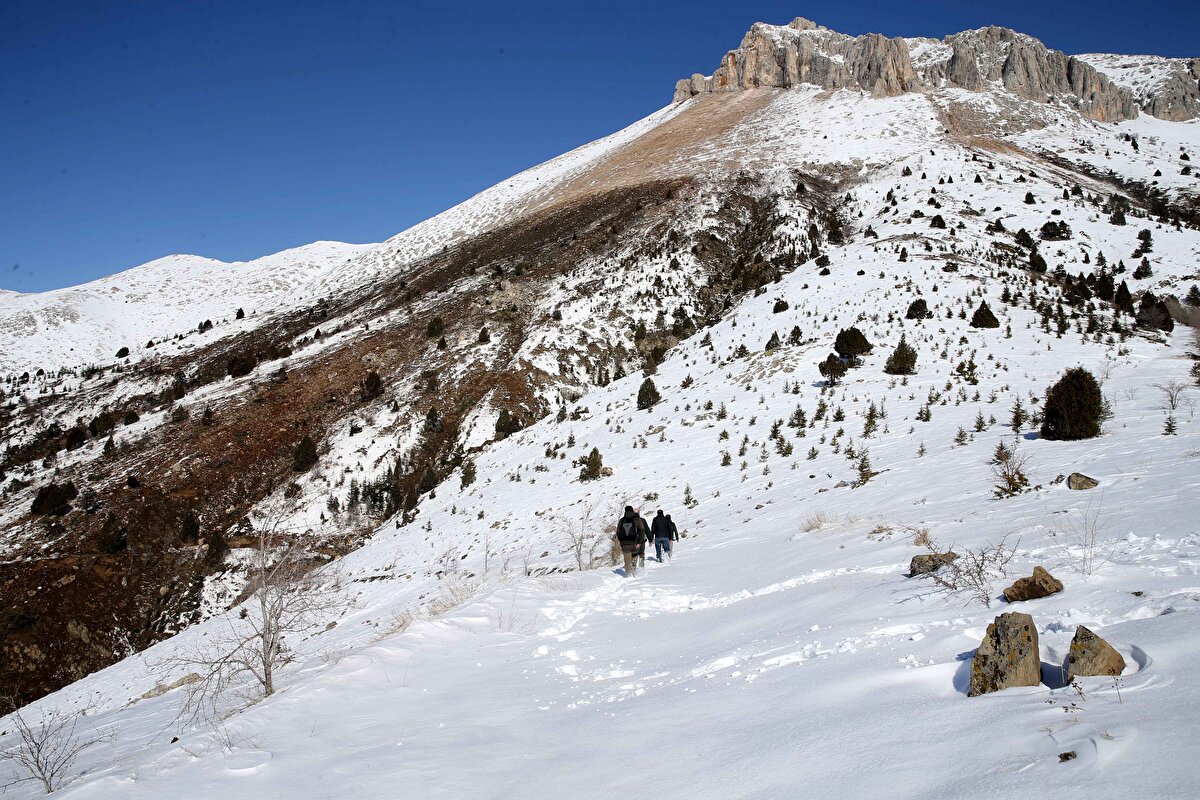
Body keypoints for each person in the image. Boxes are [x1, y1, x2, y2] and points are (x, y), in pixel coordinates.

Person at [614, 506, 643, 577]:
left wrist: (621, 541)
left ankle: (628, 575)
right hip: (634, 543)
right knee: (634, 558)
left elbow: (618, 532)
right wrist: (639, 542)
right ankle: (634, 573)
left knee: (627, 561)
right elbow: (642, 531)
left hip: (624, 544)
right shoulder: (636, 520)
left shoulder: (621, 520)